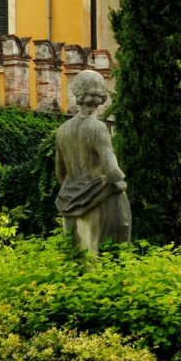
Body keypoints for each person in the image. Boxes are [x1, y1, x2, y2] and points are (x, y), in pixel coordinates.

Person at [55, 70, 131, 254]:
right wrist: (123, 179)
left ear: (77, 93)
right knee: (121, 222)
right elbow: (112, 171)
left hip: (68, 198)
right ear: (102, 96)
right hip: (97, 196)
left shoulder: (62, 130)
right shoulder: (98, 128)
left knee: (75, 257)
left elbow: (60, 173)